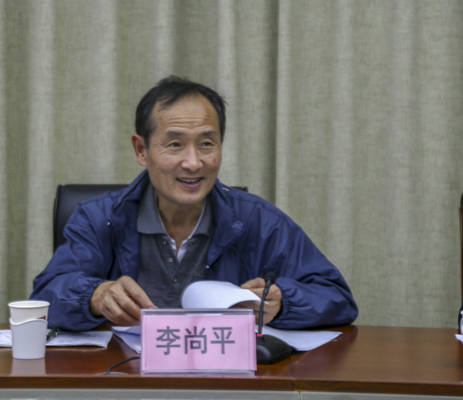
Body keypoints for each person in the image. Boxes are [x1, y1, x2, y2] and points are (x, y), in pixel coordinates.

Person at [30, 76, 358, 331]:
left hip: (223, 381)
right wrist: (95, 296)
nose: (193, 162)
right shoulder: (100, 218)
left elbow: (337, 298)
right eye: (175, 144)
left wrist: (283, 303)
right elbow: (44, 298)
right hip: (125, 378)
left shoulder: (258, 220)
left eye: (206, 144)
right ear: (141, 150)